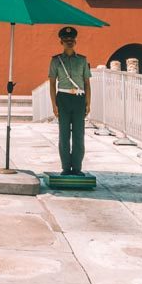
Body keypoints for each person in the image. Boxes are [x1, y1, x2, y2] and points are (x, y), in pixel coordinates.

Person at [48, 26, 91, 176]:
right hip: (63, 99)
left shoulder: (83, 60)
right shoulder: (55, 61)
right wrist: (54, 105)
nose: (69, 42)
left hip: (79, 99)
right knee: (64, 135)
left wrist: (88, 102)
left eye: (71, 39)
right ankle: (66, 168)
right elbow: (52, 84)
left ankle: (77, 168)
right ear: (61, 41)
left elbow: (87, 83)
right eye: (66, 40)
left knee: (79, 135)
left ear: (75, 41)